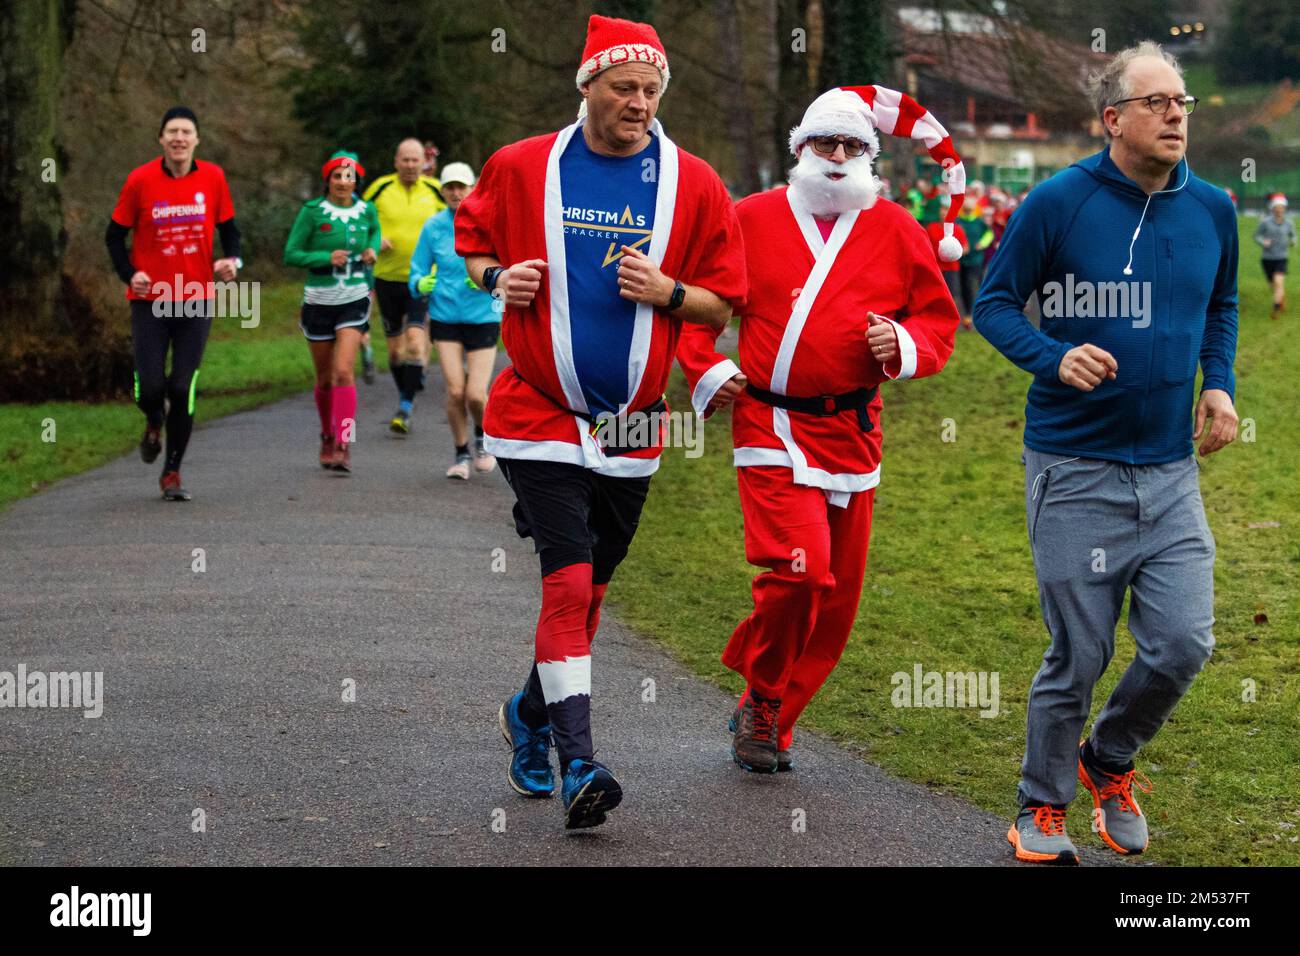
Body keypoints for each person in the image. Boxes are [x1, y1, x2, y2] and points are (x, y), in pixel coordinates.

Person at [455, 14, 747, 829]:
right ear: (587, 85)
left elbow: (725, 296)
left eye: (652, 90)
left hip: (632, 423)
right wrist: (494, 278)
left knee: (591, 597)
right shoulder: (521, 165)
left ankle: (528, 712)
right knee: (569, 576)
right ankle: (579, 759)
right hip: (538, 409)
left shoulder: (694, 182)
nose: (640, 103)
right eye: (625, 87)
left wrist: (671, 294)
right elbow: (470, 237)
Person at [974, 41, 1238, 865]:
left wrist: (1219, 384)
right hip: (1073, 465)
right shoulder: (1058, 203)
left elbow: (1222, 303)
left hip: (1169, 470)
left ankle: (1108, 758)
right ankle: (1040, 807)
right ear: (1112, 118)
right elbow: (992, 303)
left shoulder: (1216, 208)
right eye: (1156, 101)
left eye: (1182, 101)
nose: (1175, 114)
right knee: (1080, 652)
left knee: (1184, 642)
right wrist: (1055, 356)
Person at [678, 85, 962, 773]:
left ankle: (767, 710)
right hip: (769, 421)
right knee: (801, 575)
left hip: (855, 428)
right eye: (823, 144)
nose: (836, 157)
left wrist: (904, 342)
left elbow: (938, 318)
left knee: (835, 601)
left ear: (870, 157)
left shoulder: (893, 227)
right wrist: (705, 369)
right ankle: (765, 696)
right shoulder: (750, 218)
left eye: (852, 146)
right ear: (799, 150)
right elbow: (698, 309)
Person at [105, 106, 241, 501]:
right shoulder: (140, 180)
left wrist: (232, 262)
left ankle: (172, 472)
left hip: (196, 299)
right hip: (151, 301)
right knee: (149, 387)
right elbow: (113, 237)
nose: (179, 138)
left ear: (197, 139)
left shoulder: (213, 177)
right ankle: (153, 419)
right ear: (161, 139)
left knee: (182, 386)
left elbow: (232, 233)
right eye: (172, 132)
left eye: (186, 132)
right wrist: (130, 274)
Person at [283, 151, 381, 473]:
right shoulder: (312, 213)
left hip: (353, 298)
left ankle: (344, 439)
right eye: (337, 176)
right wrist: (325, 257)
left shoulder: (367, 210)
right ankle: (327, 434)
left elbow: (375, 236)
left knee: (343, 371)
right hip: (318, 301)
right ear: (328, 180)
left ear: (357, 181)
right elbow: (292, 254)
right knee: (325, 379)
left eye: (349, 176)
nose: (343, 182)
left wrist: (371, 251)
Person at [408, 162, 501, 479]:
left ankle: (483, 438)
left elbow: (506, 263)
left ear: (473, 188)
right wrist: (419, 283)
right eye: (449, 187)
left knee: (476, 393)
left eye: (461, 186)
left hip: (483, 316)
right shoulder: (433, 226)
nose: (456, 192)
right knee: (455, 391)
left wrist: (486, 278)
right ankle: (461, 453)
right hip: (445, 316)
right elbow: (417, 268)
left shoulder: (488, 221)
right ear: (443, 190)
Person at [362, 139, 446, 433]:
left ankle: (405, 406)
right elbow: (361, 221)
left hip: (422, 279)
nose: (411, 165)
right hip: (386, 278)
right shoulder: (380, 188)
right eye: (405, 160)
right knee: (395, 352)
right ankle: (407, 387)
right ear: (396, 161)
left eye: (416, 160)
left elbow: (457, 221)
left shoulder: (435, 190)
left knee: (414, 341)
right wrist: (373, 240)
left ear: (423, 163)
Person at [1253, 193, 1295, 317]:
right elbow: (1256, 235)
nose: (1279, 210)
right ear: (1272, 208)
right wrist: (1263, 242)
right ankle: (1280, 297)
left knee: (1278, 282)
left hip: (1282, 257)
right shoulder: (1265, 222)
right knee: (1273, 285)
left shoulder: (1289, 223)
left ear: (1284, 208)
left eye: (1281, 207)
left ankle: (1275, 309)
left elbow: (1293, 235)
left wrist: (1293, 241)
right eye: (1277, 207)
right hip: (1267, 258)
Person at [957, 197, 994, 327]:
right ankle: (968, 313)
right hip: (962, 259)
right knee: (965, 286)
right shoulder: (958, 221)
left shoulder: (979, 222)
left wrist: (982, 244)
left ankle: (978, 312)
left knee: (976, 283)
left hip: (977, 258)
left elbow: (989, 234)